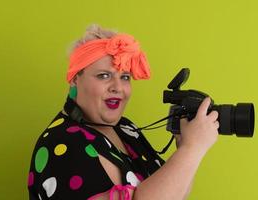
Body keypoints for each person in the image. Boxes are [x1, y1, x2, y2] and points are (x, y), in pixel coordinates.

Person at [27, 24, 219, 200]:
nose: (118, 87)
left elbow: (174, 194)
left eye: (125, 77)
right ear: (75, 80)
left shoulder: (126, 129)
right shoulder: (62, 143)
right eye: (104, 76)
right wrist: (192, 149)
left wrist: (186, 148)